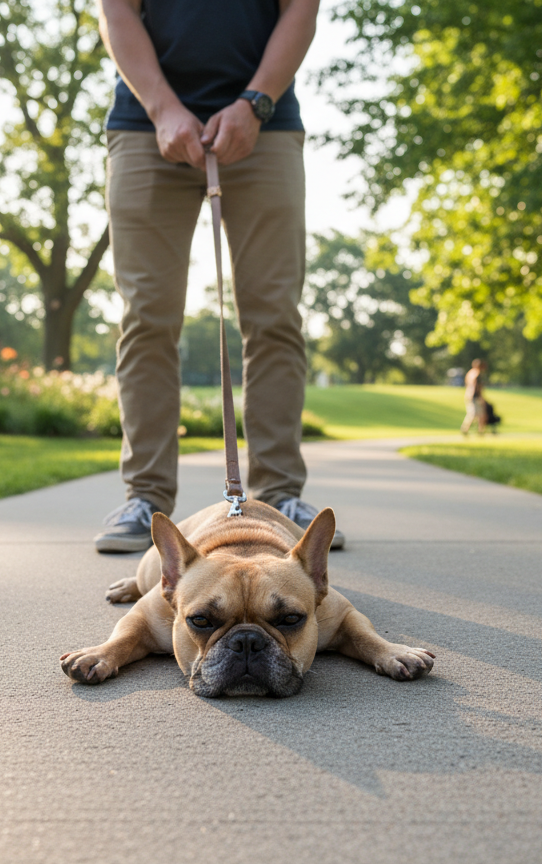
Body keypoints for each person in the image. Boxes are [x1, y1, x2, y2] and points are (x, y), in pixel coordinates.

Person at [92, 0, 342, 554]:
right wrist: (162, 109)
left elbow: (300, 11)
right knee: (147, 318)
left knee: (274, 316)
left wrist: (255, 103)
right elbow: (116, 12)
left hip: (266, 126)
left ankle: (279, 500)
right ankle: (146, 501)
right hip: (145, 126)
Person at [461, 359, 488, 435]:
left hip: (469, 394)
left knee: (474, 413)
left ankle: (467, 429)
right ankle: (479, 431)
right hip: (475, 396)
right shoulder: (477, 374)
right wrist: (480, 396)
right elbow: (477, 386)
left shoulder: (470, 373)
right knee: (479, 414)